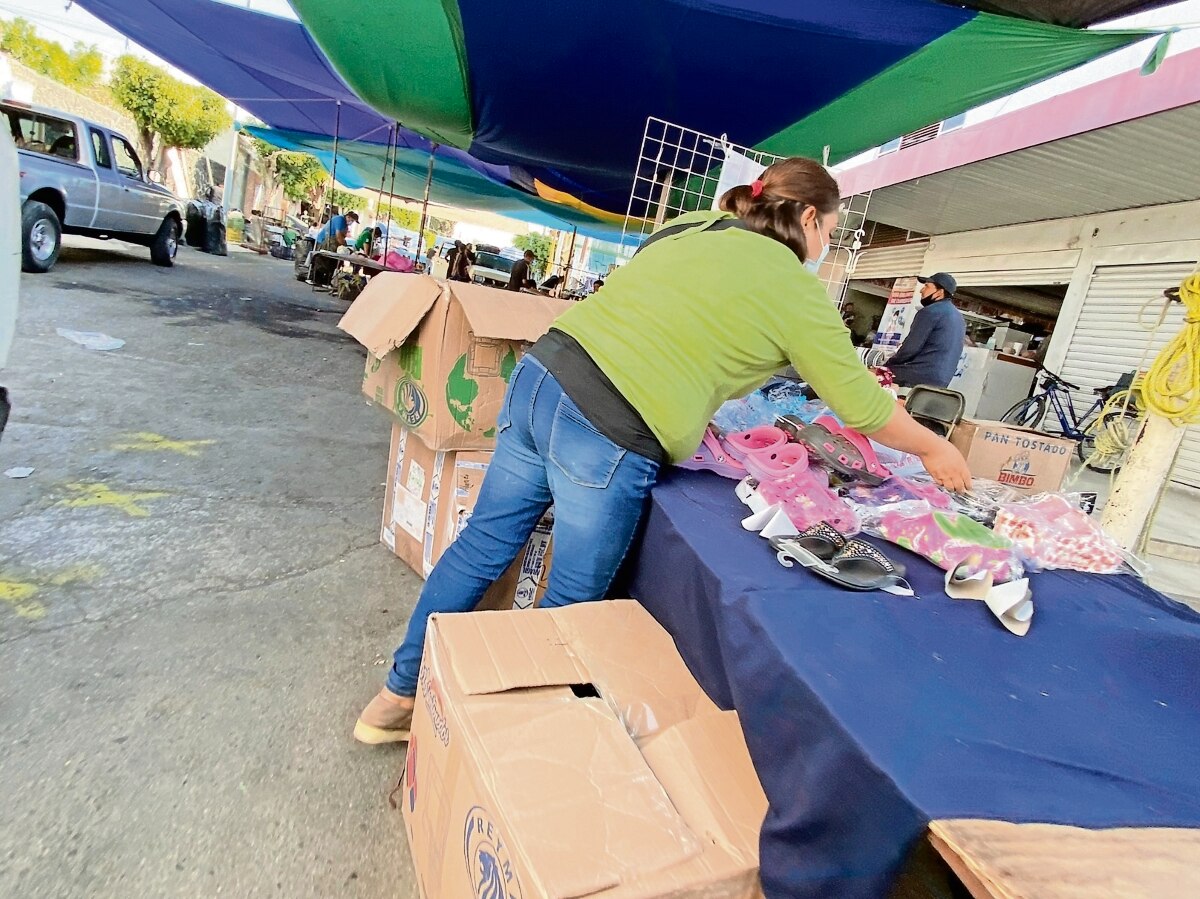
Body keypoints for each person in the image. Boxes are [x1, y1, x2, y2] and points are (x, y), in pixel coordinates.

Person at [354, 157, 972, 744]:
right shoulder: (795, 288)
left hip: (542, 375)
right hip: (607, 427)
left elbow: (668, 311)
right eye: (830, 232)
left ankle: (396, 698)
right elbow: (862, 406)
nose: (826, 246)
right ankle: (504, 755)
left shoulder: (697, 224)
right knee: (570, 601)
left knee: (483, 545)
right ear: (809, 218)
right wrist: (933, 449)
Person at [884, 272, 965, 388]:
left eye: (927, 286)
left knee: (872, 374)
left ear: (940, 292)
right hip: (942, 381)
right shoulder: (959, 317)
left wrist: (888, 364)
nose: (921, 290)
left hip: (919, 374)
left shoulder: (930, 311)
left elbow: (910, 348)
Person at [311, 210, 359, 287]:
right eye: (352, 220)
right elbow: (338, 236)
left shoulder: (344, 224)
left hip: (331, 242)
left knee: (333, 261)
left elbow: (342, 236)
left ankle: (326, 280)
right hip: (325, 241)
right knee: (324, 260)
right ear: (348, 217)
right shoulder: (340, 220)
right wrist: (345, 246)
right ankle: (317, 279)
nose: (351, 223)